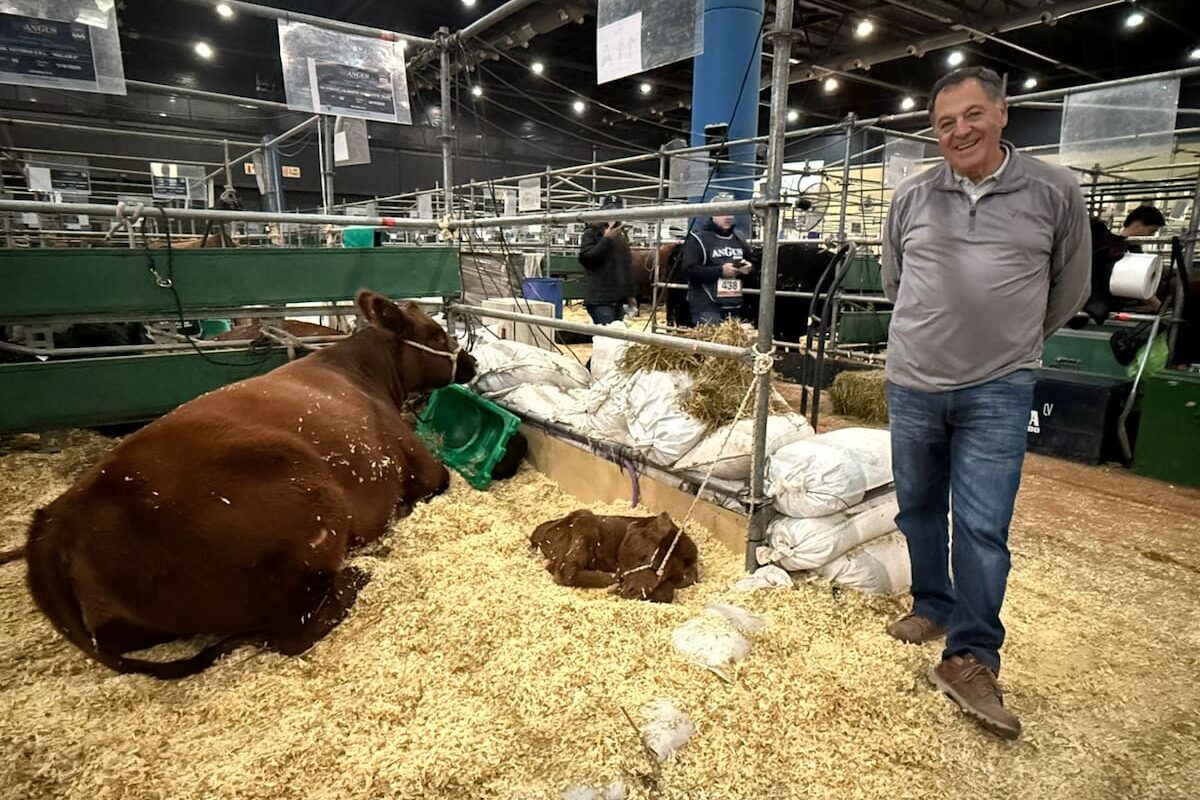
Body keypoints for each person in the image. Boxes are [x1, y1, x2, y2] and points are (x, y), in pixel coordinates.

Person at [880, 66, 1091, 740]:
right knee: (916, 507)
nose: (959, 131)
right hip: (913, 380)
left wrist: (1008, 342)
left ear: (1002, 113)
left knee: (981, 525)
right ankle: (932, 602)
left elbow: (1071, 289)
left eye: (972, 115)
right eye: (944, 124)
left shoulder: (1054, 191)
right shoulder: (911, 197)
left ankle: (970, 655)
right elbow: (894, 281)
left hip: (999, 387)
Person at [1078, 205, 1166, 324]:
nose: (1150, 236)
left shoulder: (1106, 243)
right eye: (1151, 231)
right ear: (1138, 224)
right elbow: (1140, 284)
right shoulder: (1122, 250)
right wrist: (1160, 308)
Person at [680, 201, 753, 325]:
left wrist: (748, 268)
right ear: (713, 214)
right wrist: (720, 271)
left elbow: (752, 264)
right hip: (706, 306)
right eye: (723, 213)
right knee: (710, 342)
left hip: (734, 304)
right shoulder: (698, 238)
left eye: (732, 213)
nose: (729, 217)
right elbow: (688, 270)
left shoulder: (738, 238)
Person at [578, 195, 635, 325]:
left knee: (616, 341)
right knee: (607, 338)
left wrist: (630, 295)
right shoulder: (592, 232)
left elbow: (626, 266)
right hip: (600, 299)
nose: (613, 215)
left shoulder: (622, 235)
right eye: (610, 211)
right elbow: (586, 259)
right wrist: (606, 239)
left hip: (618, 299)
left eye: (617, 211)